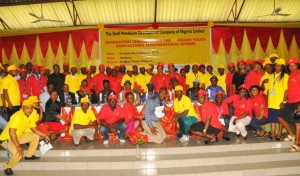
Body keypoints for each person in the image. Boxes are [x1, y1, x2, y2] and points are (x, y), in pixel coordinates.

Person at [0, 99, 50, 176]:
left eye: (31, 108)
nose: (30, 110)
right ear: (22, 107)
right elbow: (11, 132)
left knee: (35, 136)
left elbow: (34, 129)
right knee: (18, 154)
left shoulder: (29, 116)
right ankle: (7, 167)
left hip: (18, 136)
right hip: (7, 138)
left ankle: (29, 155)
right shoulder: (17, 116)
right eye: (27, 107)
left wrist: (45, 135)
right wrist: (18, 146)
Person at [277, 58, 300, 152]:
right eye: (289, 65)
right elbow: (288, 90)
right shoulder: (291, 75)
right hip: (290, 102)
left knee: (297, 122)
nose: (291, 67)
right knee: (280, 116)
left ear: (297, 65)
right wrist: (284, 101)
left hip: (298, 101)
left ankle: (297, 144)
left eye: (293, 65)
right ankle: (292, 134)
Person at [266, 58, 288, 140]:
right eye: (276, 65)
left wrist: (284, 101)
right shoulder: (271, 76)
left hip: (279, 101)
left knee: (280, 118)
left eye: (279, 66)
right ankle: (273, 132)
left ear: (282, 67)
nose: (277, 67)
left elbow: (287, 90)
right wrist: (267, 100)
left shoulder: (285, 76)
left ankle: (279, 133)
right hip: (271, 101)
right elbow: (268, 89)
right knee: (272, 118)